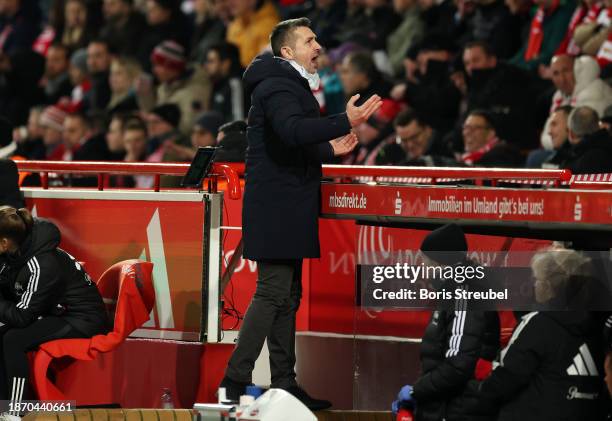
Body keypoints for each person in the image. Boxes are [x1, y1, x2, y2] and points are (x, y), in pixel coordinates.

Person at [219, 17, 381, 410]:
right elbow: (292, 131)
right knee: (274, 291)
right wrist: (345, 121)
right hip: (278, 205)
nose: (319, 46)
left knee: (288, 295)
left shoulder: (286, 83)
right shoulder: (277, 84)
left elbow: (287, 143)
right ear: (287, 51)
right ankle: (235, 380)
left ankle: (284, 383)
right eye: (310, 41)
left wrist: (329, 150)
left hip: (287, 203)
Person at [466, 247, 606, 421]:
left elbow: (506, 378)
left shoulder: (538, 324)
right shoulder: (599, 325)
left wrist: (476, 395)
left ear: (549, 286)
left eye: (537, 279)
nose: (534, 284)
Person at [0, 207, 109, 407]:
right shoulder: (15, 251)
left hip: (81, 319)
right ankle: (3, 405)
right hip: (55, 311)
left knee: (13, 339)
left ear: (4, 243)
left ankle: (14, 411)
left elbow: (22, 315)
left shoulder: (42, 264)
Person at [391, 223, 500, 421]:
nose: (424, 269)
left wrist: (416, 392)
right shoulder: (452, 291)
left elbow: (458, 364)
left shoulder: (463, 293)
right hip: (444, 406)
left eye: (427, 262)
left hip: (457, 409)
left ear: (442, 262)